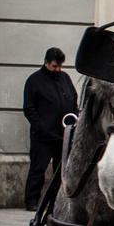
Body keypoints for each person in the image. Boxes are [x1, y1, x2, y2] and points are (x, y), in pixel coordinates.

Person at [22, 47, 77, 209]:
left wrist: (72, 118)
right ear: (46, 63)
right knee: (38, 169)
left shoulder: (64, 78)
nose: (57, 69)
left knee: (62, 171)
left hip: (63, 135)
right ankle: (31, 200)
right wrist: (41, 126)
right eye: (54, 66)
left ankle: (57, 202)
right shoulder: (34, 81)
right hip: (43, 136)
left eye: (60, 66)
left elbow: (73, 99)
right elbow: (29, 108)